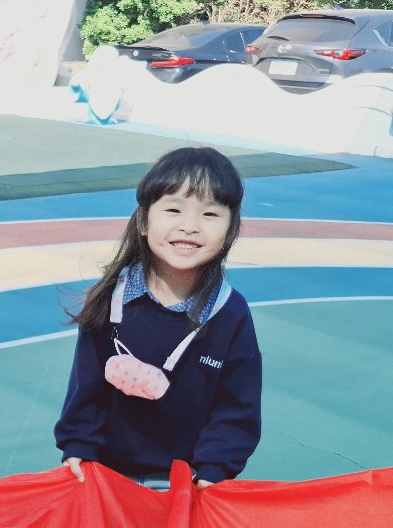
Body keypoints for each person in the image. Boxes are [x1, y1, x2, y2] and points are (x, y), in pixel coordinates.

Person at [55, 146, 260, 489]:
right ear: (143, 222)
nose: (189, 226)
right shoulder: (112, 299)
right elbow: (86, 384)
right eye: (173, 209)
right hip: (105, 477)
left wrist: (214, 469)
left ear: (230, 229)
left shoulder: (230, 313)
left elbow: (236, 406)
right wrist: (78, 444)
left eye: (210, 214)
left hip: (185, 484)